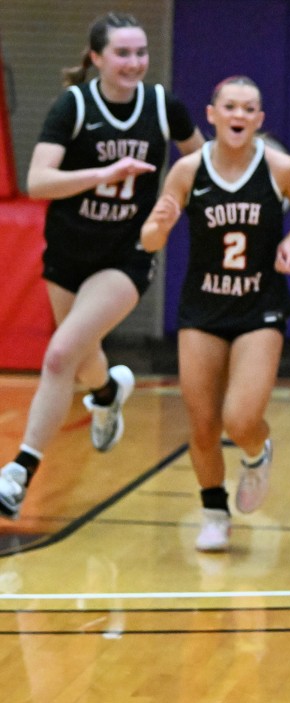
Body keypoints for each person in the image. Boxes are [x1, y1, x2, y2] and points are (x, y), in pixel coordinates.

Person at [0, 12, 203, 519]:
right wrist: (103, 173)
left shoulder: (162, 106)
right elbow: (40, 181)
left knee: (58, 355)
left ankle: (19, 471)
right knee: (82, 356)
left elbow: (201, 165)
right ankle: (110, 390)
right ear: (97, 58)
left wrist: (178, 206)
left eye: (141, 53)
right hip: (68, 255)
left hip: (125, 257)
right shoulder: (73, 106)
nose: (135, 62)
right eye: (123, 53)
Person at [139, 76, 290, 551]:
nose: (239, 115)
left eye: (249, 109)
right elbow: (150, 241)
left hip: (260, 306)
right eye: (231, 107)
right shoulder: (186, 171)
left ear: (259, 120)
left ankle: (257, 452)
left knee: (240, 420)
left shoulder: (279, 168)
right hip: (202, 307)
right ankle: (214, 511)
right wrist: (155, 228)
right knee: (201, 423)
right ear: (212, 114)